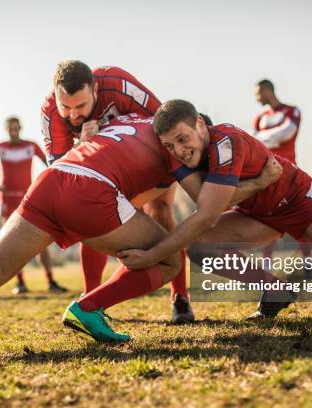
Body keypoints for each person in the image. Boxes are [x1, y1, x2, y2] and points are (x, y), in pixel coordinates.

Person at [0, 115, 279, 358]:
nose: (188, 147)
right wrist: (261, 181)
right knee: (169, 259)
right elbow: (208, 204)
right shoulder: (176, 140)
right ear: (193, 125)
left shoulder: (124, 122)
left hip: (51, 180)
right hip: (90, 191)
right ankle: (88, 307)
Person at [118, 99, 312, 320]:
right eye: (170, 145)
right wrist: (258, 184)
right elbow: (207, 205)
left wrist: (151, 255)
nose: (179, 150)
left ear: (201, 125)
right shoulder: (179, 156)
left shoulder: (226, 142)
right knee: (201, 249)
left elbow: (208, 213)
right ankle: (276, 290)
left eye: (182, 138)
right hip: (259, 212)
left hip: (299, 199)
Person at [42, 60, 192, 323]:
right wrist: (83, 144)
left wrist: (112, 130)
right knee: (92, 218)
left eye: (81, 106)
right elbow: (62, 173)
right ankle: (91, 299)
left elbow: (165, 124)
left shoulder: (120, 85)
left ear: (96, 90)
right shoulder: (51, 112)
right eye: (66, 107)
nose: (74, 115)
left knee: (161, 210)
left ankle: (180, 298)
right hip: (105, 171)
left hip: (149, 158)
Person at [0, 117, 67, 294]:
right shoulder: (0, 147)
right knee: (12, 243)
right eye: (10, 129)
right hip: (7, 200)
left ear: (20, 128)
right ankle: (20, 283)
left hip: (29, 198)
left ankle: (51, 281)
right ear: (7, 130)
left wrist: (48, 184)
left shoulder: (31, 145)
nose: (13, 132)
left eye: (16, 128)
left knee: (42, 240)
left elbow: (51, 163)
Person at [253, 79, 312, 278]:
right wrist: (269, 137)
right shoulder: (260, 117)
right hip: (267, 175)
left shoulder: (292, 111)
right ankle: (267, 269)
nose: (257, 97)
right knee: (267, 220)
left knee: (301, 220)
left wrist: (264, 137)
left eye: (258, 93)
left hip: (290, 175)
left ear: (267, 90)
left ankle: (308, 264)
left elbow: (286, 133)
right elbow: (253, 140)